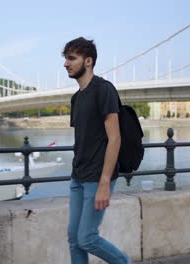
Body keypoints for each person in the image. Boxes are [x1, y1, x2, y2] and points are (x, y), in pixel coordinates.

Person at [63, 37, 131, 264]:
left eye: (72, 58)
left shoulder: (104, 90)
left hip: (97, 177)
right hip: (78, 177)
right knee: (74, 238)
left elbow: (115, 138)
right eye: (66, 58)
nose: (66, 63)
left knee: (87, 238)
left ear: (88, 61)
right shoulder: (77, 98)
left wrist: (104, 183)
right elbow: (84, 140)